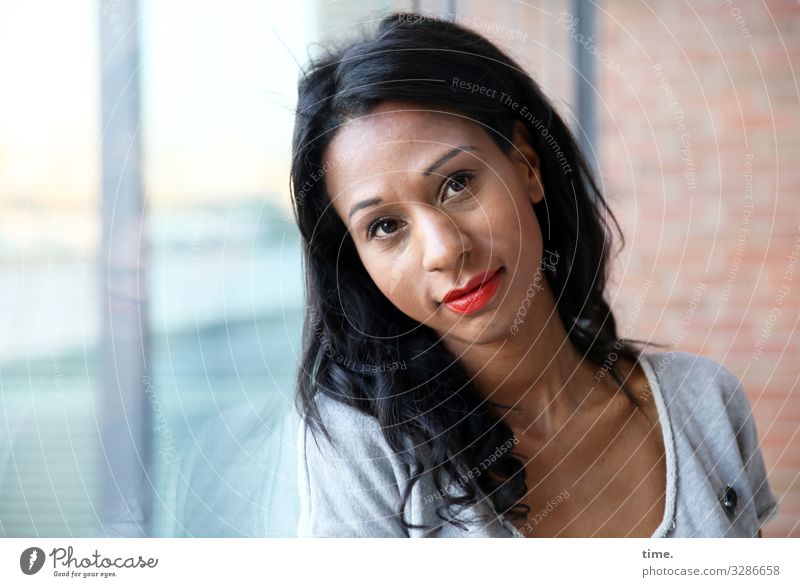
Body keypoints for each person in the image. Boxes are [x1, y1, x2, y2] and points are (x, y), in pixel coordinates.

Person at [290, 12, 779, 537]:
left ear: (525, 163)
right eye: (385, 226)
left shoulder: (705, 401)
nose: (445, 250)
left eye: (457, 183)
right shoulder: (363, 449)